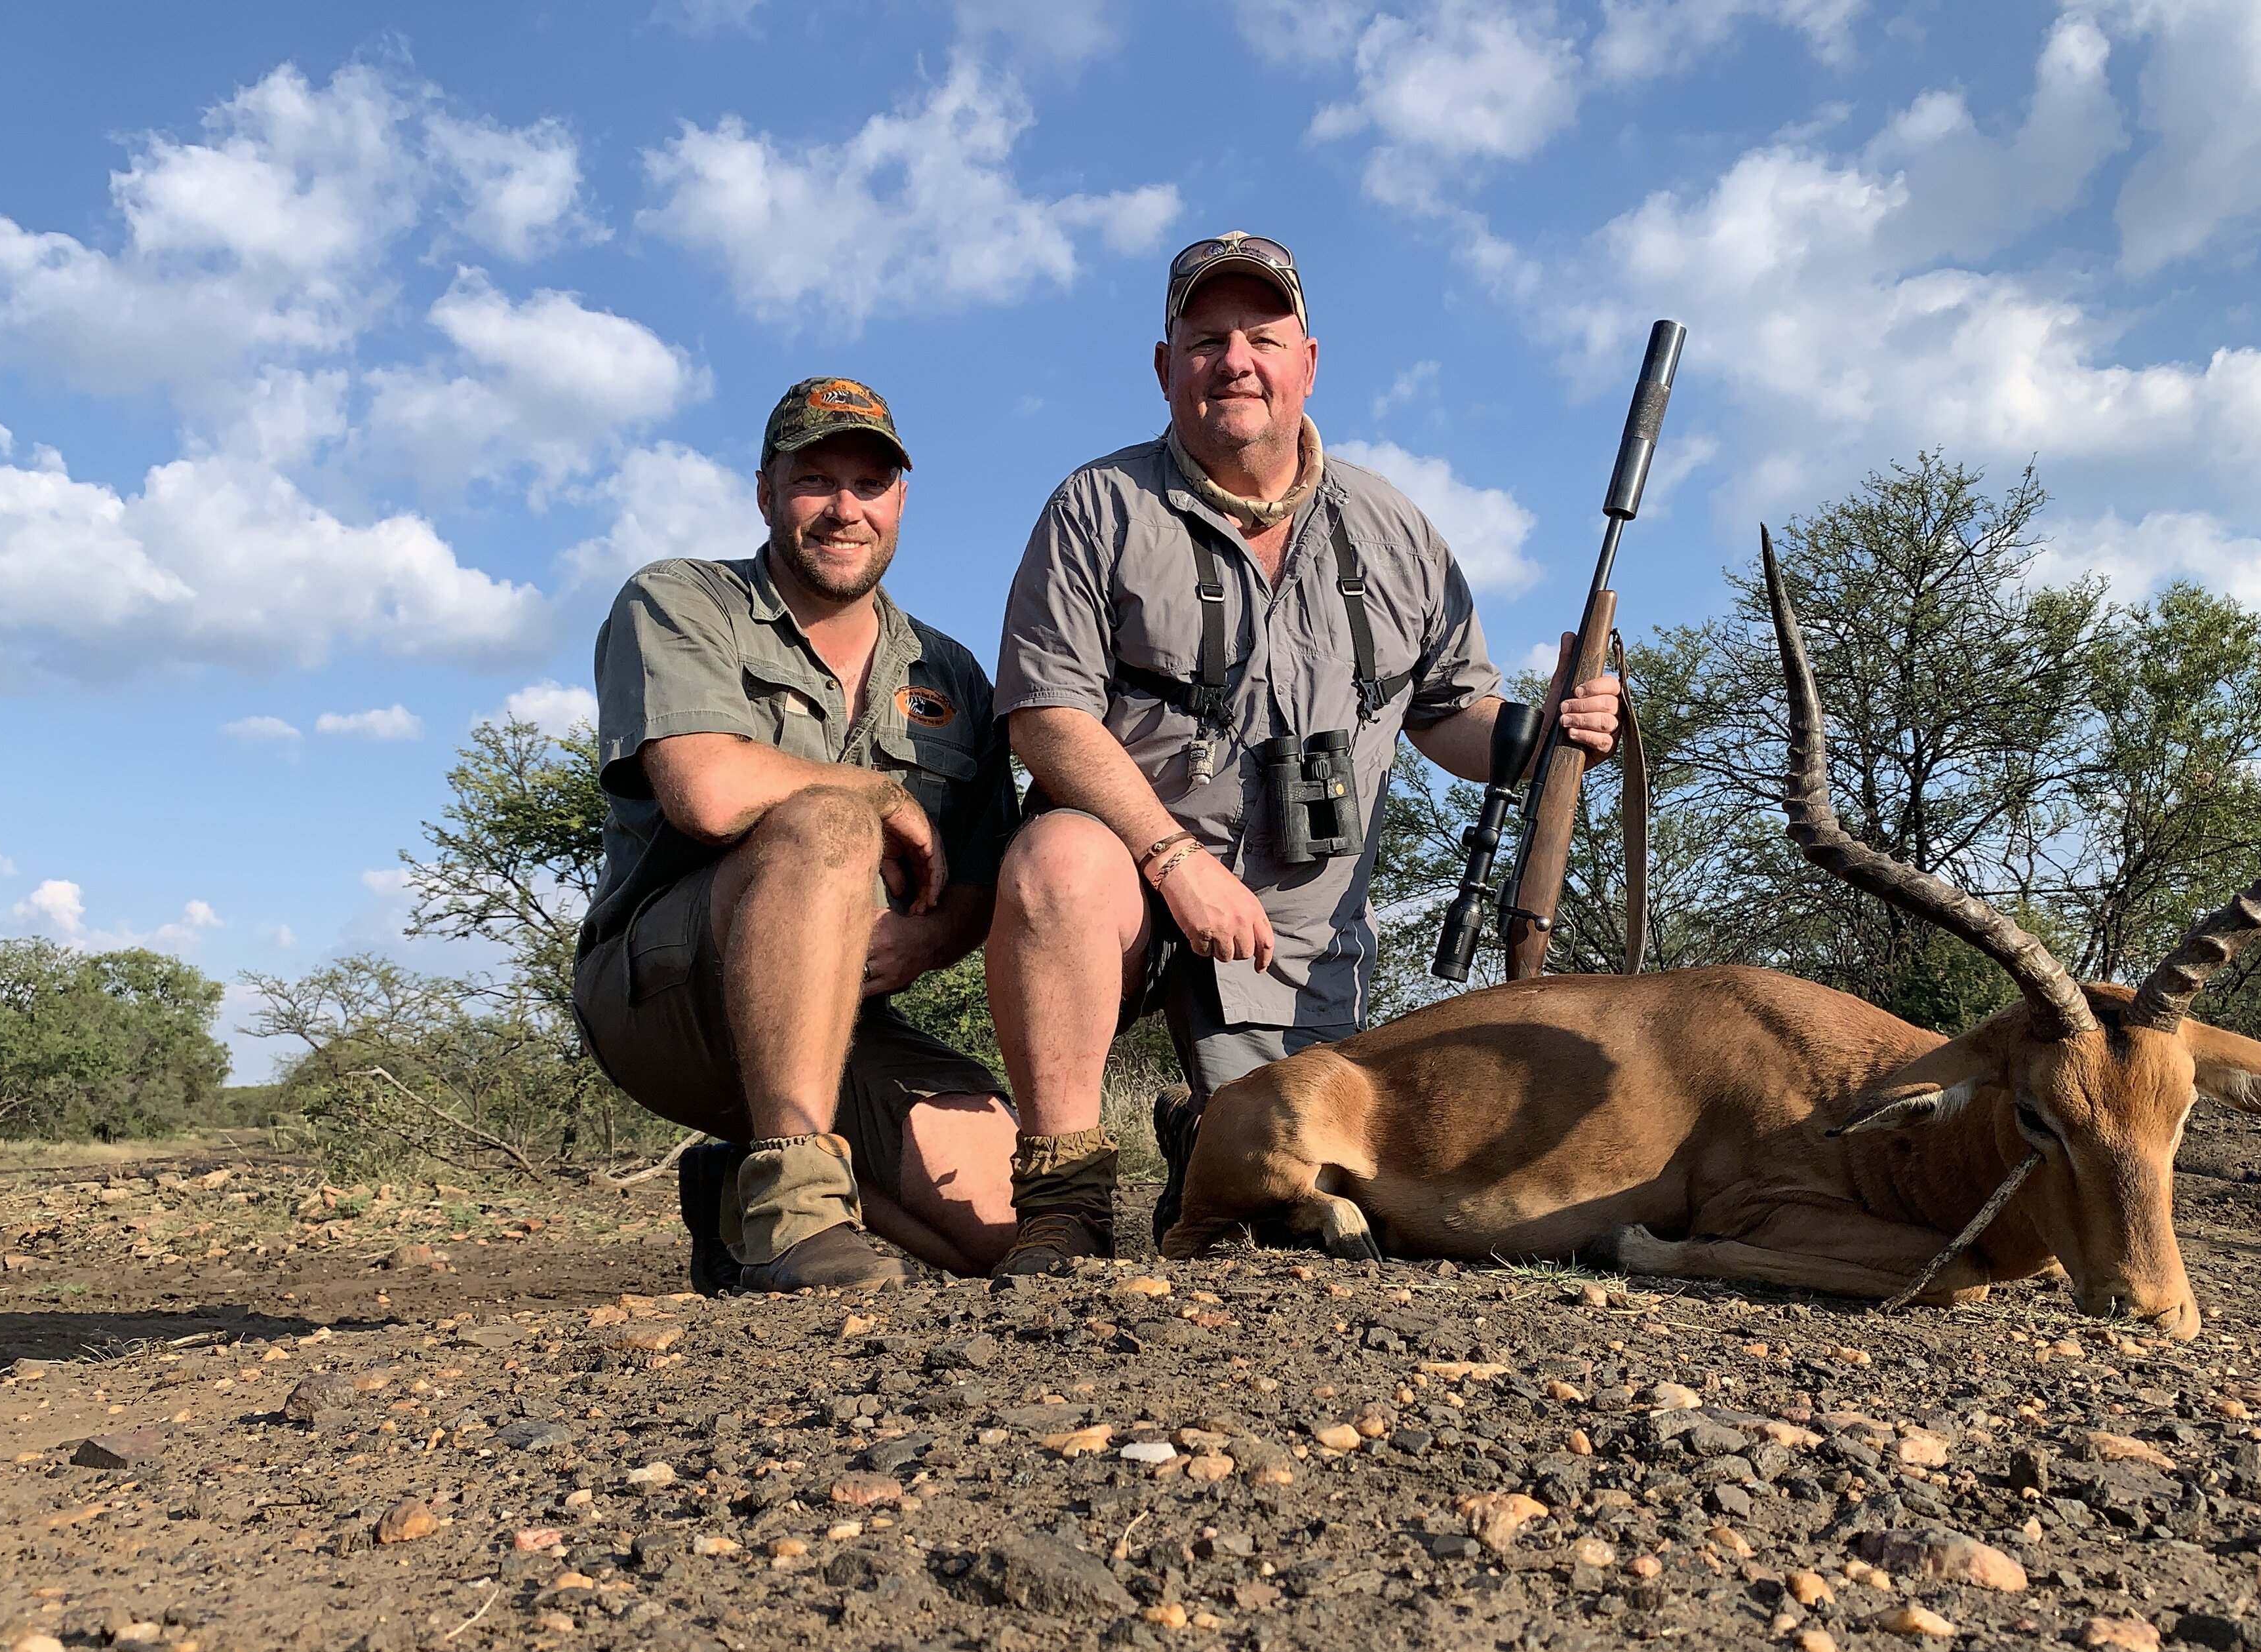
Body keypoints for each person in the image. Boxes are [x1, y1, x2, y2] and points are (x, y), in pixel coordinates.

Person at [986, 231, 1623, 1273]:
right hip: (1134, 885)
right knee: (1056, 862)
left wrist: (1546, 735)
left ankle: (1202, 1139)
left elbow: (1451, 715)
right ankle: (1063, 1204)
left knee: (1295, 1201)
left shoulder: (1396, 527)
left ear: (1307, 362)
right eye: (1205, 340)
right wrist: (1171, 859)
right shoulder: (1096, 506)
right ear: (1165, 367)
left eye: (1261, 337)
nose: (1234, 360)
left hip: (1298, 929)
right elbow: (1046, 718)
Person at [574, 377, 1020, 1295]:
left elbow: (979, 880)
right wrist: (873, 795)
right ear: (767, 493)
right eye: (816, 480)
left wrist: (927, 938)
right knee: (824, 825)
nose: (844, 509)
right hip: (666, 995)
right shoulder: (679, 599)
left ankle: (738, 1194)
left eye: (870, 483)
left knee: (1006, 1229)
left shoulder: (949, 671)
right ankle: (795, 1212)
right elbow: (704, 790)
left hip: (847, 1013)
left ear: (901, 501)